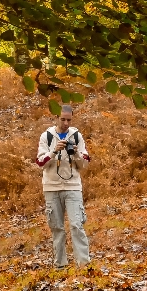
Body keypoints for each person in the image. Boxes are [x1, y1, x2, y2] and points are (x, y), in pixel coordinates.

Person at [36, 105, 91, 268]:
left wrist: (75, 153)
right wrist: (54, 151)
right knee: (57, 227)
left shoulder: (76, 136)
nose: (66, 123)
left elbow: (86, 163)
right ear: (56, 117)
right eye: (63, 119)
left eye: (69, 120)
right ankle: (60, 264)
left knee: (76, 224)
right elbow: (40, 163)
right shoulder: (46, 136)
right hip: (51, 187)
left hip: (73, 186)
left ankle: (83, 263)